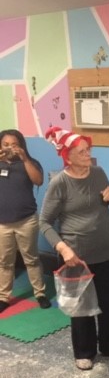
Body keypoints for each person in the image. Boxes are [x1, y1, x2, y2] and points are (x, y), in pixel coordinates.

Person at [39, 127, 109, 371]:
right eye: (82, 152)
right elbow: (44, 222)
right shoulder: (60, 183)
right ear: (68, 156)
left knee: (108, 303)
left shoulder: (98, 173)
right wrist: (63, 249)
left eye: (88, 149)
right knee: (82, 307)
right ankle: (85, 351)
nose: (88, 154)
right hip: (77, 257)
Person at [0, 129, 51, 314]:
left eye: (14, 144)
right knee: (5, 262)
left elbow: (38, 180)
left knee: (31, 258)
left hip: (26, 220)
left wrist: (24, 159)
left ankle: (40, 294)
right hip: (2, 223)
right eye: (6, 144)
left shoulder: (30, 162)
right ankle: (3, 297)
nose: (10, 148)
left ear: (21, 145)